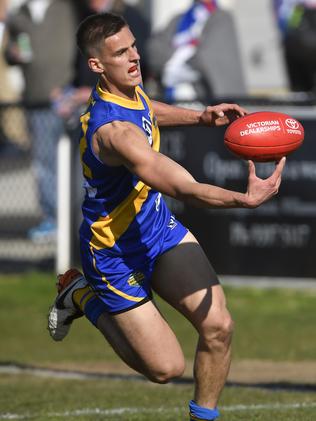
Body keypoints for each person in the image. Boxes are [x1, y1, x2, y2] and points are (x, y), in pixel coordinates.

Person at [47, 13, 285, 421]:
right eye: (121, 53)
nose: (134, 57)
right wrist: (242, 199)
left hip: (156, 231)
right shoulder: (113, 132)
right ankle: (81, 295)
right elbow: (182, 187)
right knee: (165, 368)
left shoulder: (127, 90)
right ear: (96, 65)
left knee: (219, 327)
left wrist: (199, 116)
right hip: (113, 253)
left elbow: (147, 108)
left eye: (134, 46)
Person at [5, 0, 77, 241]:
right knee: (43, 164)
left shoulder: (66, 9)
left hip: (68, 98)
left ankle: (74, 218)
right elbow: (10, 52)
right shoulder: (19, 15)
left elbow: (76, 48)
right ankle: (52, 219)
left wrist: (68, 87)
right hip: (35, 100)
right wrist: (13, 54)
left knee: (74, 162)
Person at [146, 0, 246, 102]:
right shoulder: (178, 19)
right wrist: (185, 54)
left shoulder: (222, 18)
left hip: (205, 98)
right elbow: (155, 51)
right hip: (173, 98)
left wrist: (174, 61)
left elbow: (208, 56)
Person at [273, 0, 316, 93]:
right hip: (299, 48)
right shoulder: (298, 8)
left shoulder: (298, 8)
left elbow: (287, 24)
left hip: (297, 47)